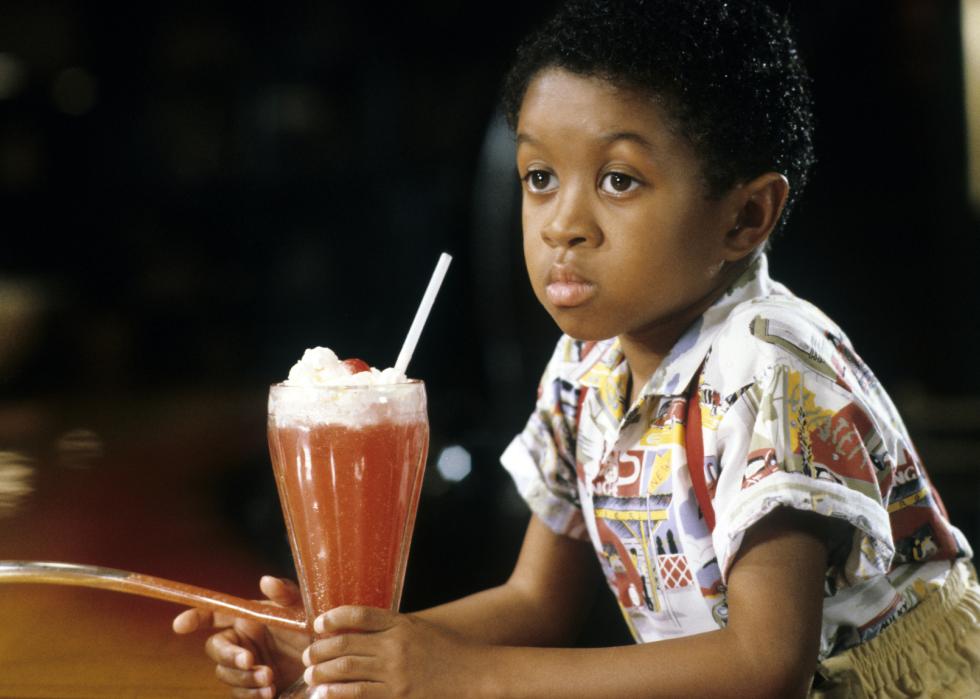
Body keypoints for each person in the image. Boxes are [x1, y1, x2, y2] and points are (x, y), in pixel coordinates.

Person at [173, 1, 980, 697]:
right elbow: (535, 600)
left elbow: (765, 665)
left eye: (620, 179)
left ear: (745, 218)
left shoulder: (767, 367)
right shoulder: (586, 369)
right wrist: (348, 654)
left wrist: (463, 676)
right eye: (538, 177)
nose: (563, 223)